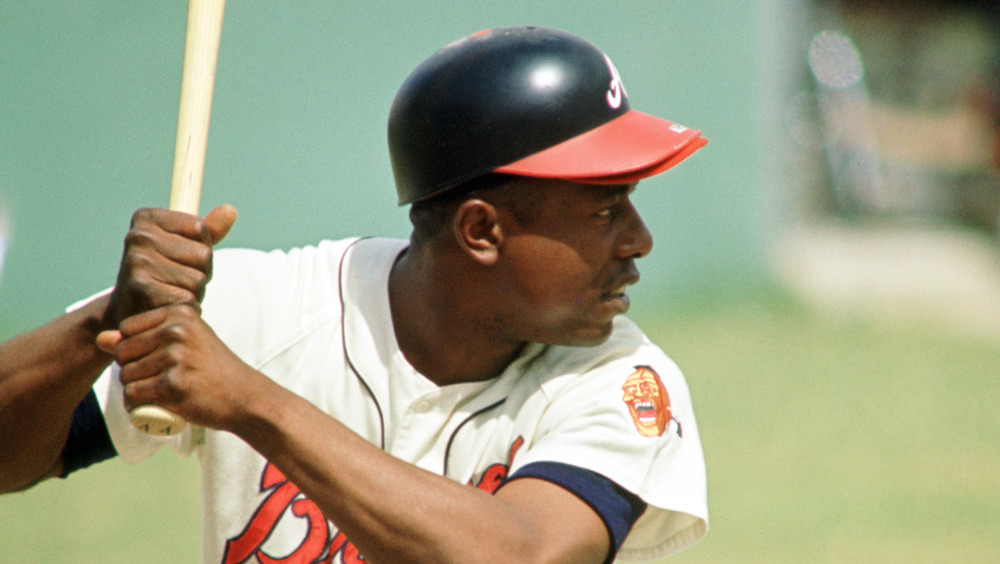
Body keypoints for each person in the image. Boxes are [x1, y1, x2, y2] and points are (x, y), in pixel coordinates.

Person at [0, 26, 708, 563]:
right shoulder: (262, 309)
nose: (639, 240)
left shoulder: (624, 383)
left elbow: (521, 554)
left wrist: (249, 402)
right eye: (607, 210)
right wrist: (106, 323)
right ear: (482, 230)